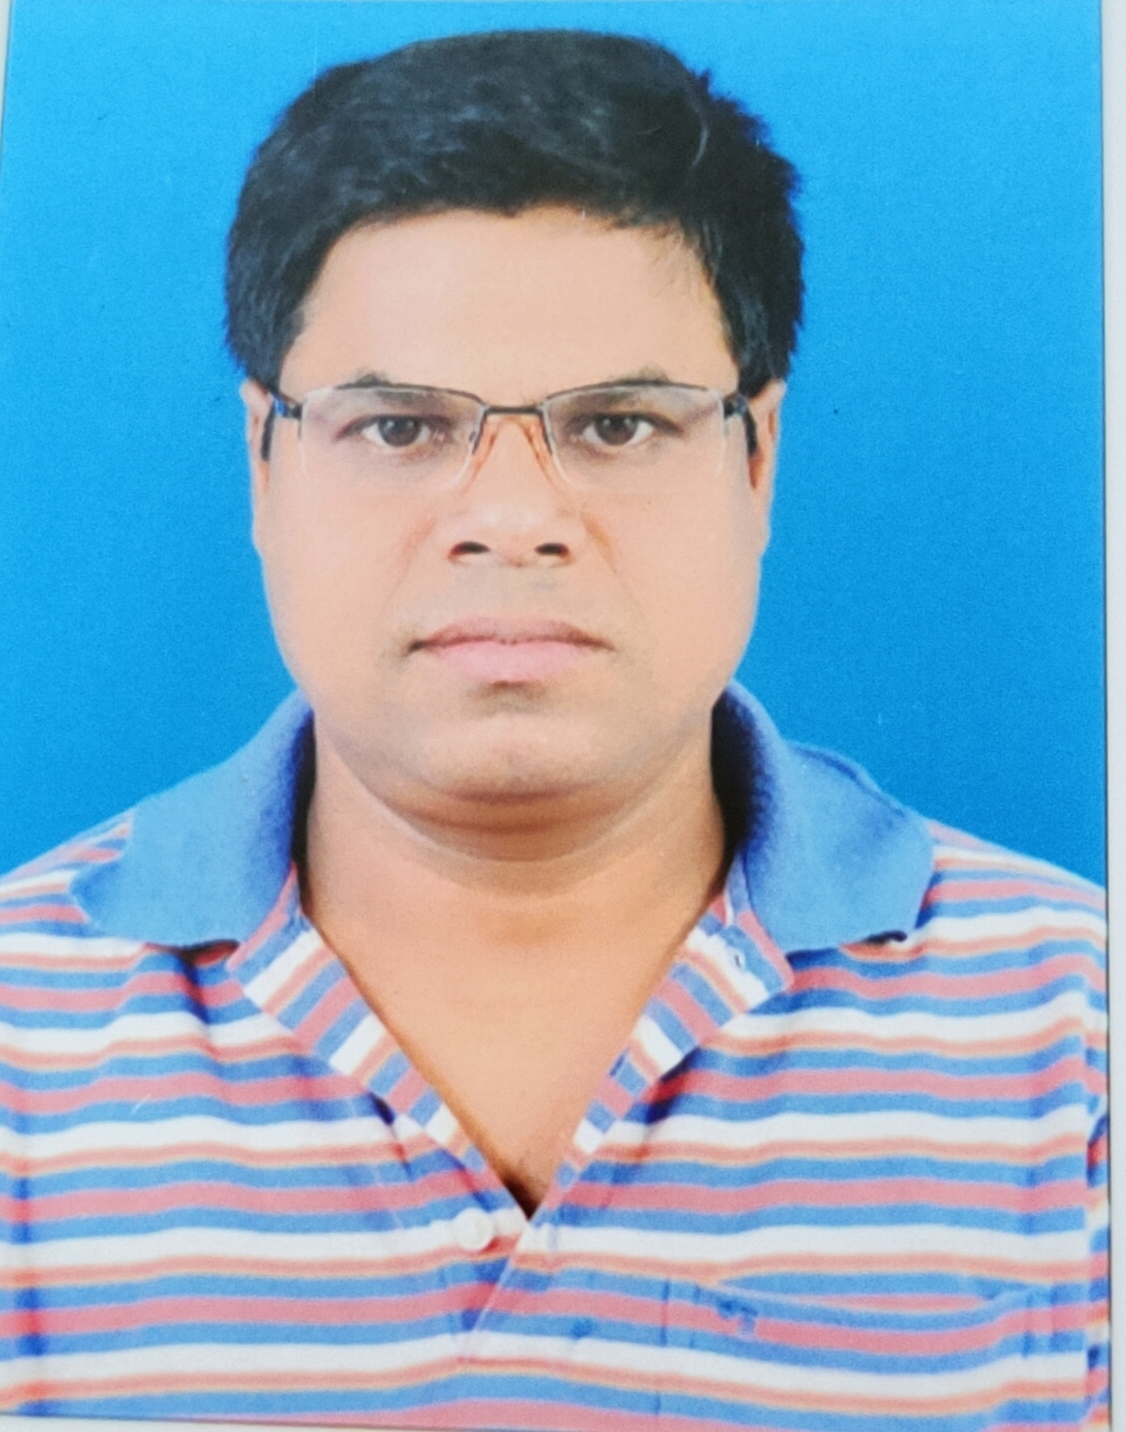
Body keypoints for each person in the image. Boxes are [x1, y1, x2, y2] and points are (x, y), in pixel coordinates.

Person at [0, 28, 1106, 1431]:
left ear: (756, 458)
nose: (513, 520)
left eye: (620, 425)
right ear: (264, 463)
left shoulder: (1073, 1037)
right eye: (399, 427)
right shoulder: (22, 1044)